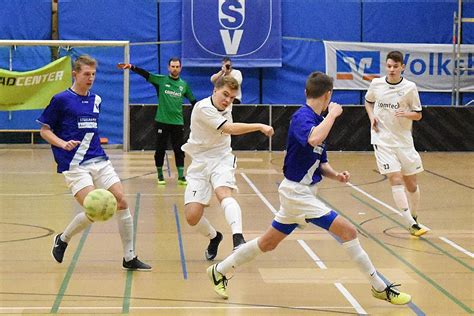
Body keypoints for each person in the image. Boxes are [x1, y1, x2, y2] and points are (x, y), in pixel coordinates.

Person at [207, 72, 412, 306]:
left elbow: (320, 161)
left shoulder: (317, 120)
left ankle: (219, 270)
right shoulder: (303, 118)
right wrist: (333, 115)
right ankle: (380, 287)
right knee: (348, 232)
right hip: (297, 193)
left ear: (307, 91)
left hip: (303, 192)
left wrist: (335, 175)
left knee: (268, 243)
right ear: (328, 95)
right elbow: (314, 139)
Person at [38, 55, 151, 271]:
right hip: (74, 164)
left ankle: (129, 256)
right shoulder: (61, 99)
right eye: (86, 74)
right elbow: (44, 130)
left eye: (93, 74)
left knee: (122, 202)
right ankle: (63, 238)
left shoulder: (96, 100)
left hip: (99, 159)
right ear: (75, 74)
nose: (90, 78)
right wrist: (62, 144)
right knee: (95, 208)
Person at [182, 76, 273, 261]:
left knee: (223, 193)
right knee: (192, 216)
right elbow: (229, 128)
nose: (228, 100)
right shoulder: (203, 108)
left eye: (232, 97)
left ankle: (238, 239)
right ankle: (215, 237)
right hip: (199, 161)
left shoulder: (226, 104)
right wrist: (259, 125)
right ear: (214, 90)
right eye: (225, 94)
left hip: (222, 158)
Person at [365, 51, 427, 237]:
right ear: (386, 66)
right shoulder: (376, 84)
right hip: (382, 140)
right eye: (389, 66)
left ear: (402, 67)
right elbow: (368, 102)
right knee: (395, 178)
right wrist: (371, 117)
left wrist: (406, 114)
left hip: (404, 142)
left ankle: (414, 216)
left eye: (395, 66)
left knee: (412, 184)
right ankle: (410, 224)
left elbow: (418, 114)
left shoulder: (410, 88)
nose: (391, 69)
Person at [118, 57, 197, 185]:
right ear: (168, 67)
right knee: (160, 149)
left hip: (177, 123)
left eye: (177, 66)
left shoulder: (183, 85)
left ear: (180, 68)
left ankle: (181, 176)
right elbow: (147, 75)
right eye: (173, 66)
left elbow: (194, 101)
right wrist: (132, 67)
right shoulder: (161, 80)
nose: (175, 69)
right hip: (162, 121)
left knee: (179, 149)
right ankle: (160, 175)